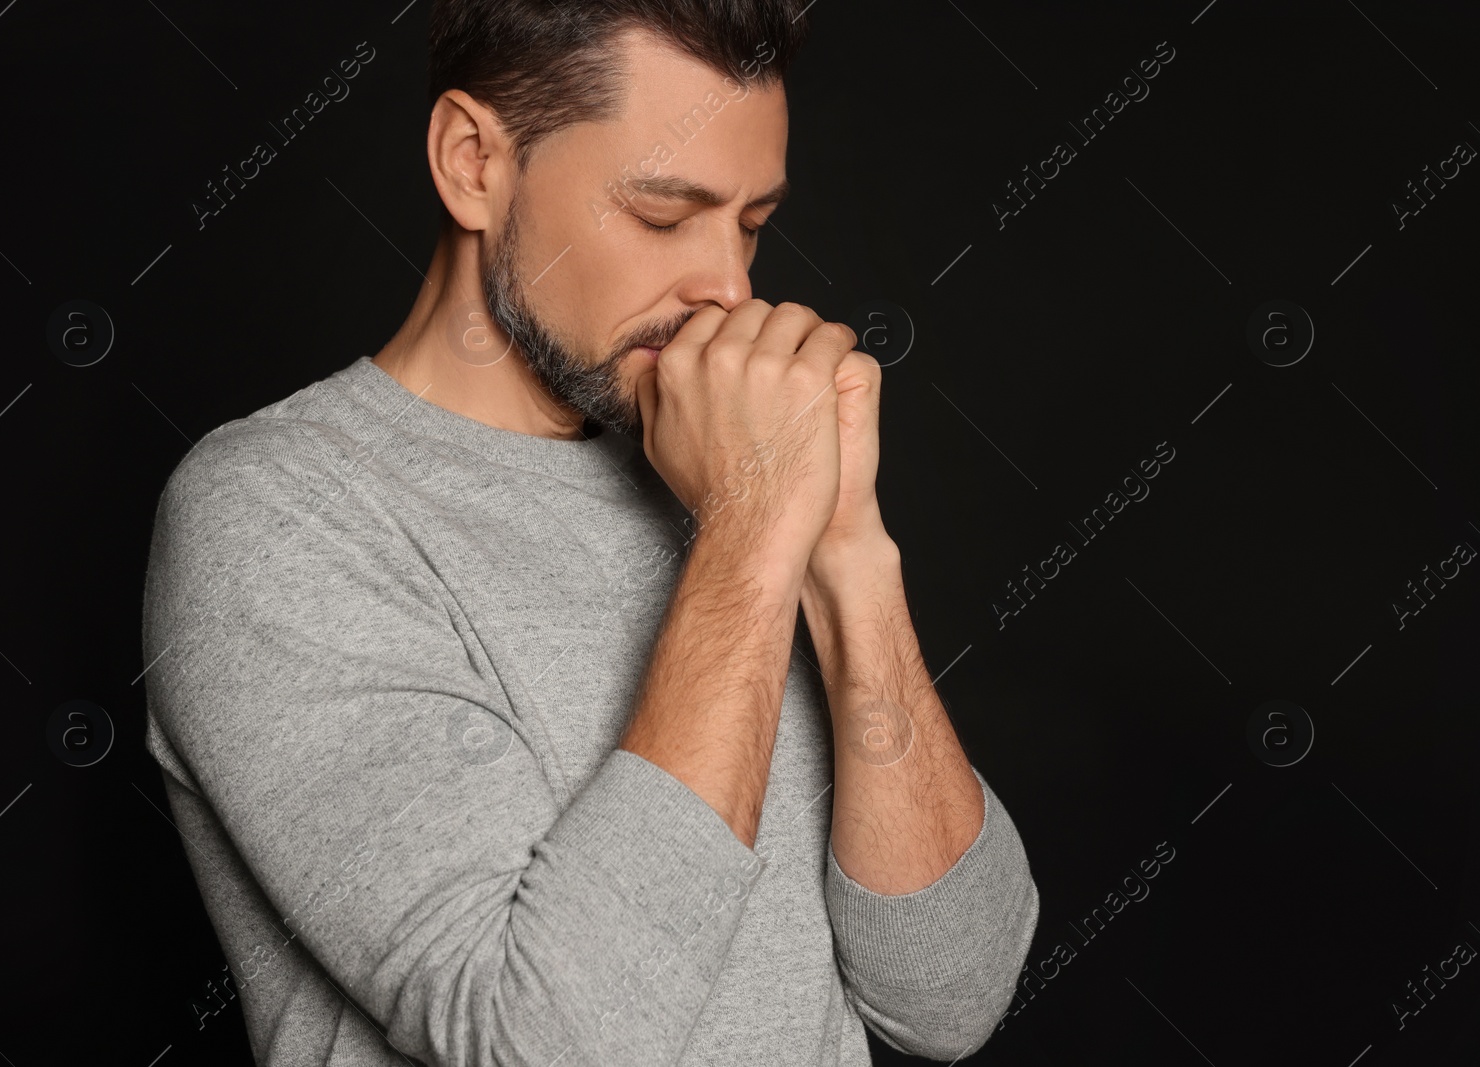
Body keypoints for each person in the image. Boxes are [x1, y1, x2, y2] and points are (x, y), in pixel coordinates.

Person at [140, 2, 1039, 1063]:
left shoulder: (722, 474)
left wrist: (841, 547)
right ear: (473, 160)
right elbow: (549, 1040)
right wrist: (752, 532)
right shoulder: (279, 513)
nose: (729, 286)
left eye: (751, 222)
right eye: (663, 214)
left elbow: (949, 993)